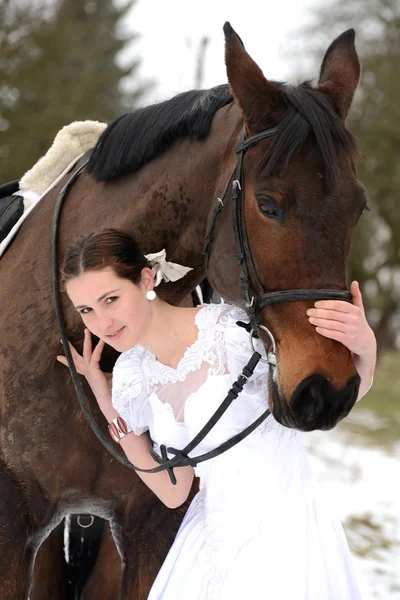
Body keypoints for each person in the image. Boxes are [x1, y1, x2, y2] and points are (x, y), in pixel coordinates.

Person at [57, 228, 377, 600]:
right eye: (87, 310)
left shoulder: (230, 329)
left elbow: (323, 404)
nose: (102, 323)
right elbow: (173, 491)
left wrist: (364, 350)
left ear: (146, 278)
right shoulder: (132, 377)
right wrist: (103, 394)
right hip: (209, 548)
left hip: (288, 534)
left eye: (110, 299)